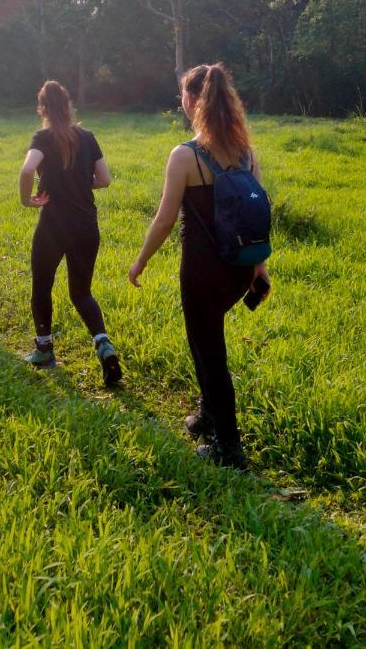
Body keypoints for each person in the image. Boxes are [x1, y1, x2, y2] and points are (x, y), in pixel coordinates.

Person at [128, 63, 269, 470]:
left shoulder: (185, 155)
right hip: (239, 269)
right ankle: (207, 413)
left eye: (182, 98)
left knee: (211, 353)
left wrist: (140, 262)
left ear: (192, 101)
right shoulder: (246, 152)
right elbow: (257, 215)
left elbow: (164, 219)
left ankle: (229, 449)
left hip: (202, 273)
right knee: (206, 342)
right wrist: (259, 269)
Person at [18, 80, 122, 387]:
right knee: (81, 292)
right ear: (69, 106)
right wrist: (76, 182)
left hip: (53, 226)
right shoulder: (87, 136)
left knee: (42, 286)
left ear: (43, 109)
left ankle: (44, 349)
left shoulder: (43, 137)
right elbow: (104, 179)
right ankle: (104, 344)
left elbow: (27, 170)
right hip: (86, 225)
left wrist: (27, 200)